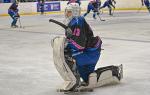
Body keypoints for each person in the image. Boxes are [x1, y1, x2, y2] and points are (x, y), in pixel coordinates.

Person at [52, 3, 123, 91]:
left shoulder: (77, 21)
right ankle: (114, 72)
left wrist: (66, 44)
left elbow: (79, 45)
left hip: (89, 52)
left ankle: (74, 82)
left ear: (75, 12)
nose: (66, 14)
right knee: (89, 78)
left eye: (69, 12)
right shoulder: (75, 21)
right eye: (66, 12)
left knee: (67, 56)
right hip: (90, 51)